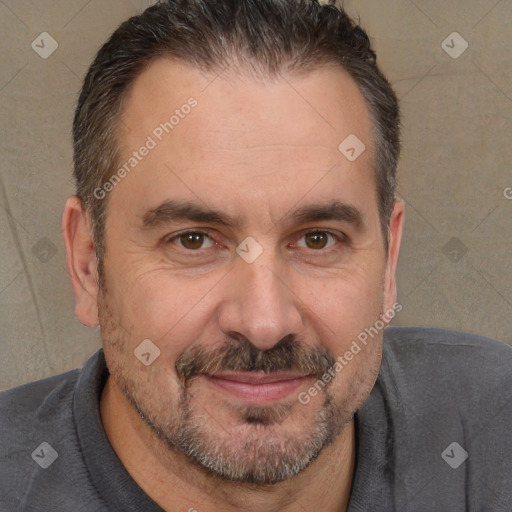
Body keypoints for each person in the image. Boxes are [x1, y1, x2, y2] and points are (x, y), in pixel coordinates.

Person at [1, 1, 511, 510]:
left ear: (389, 258)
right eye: (194, 240)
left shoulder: (495, 427)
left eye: (318, 239)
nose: (265, 323)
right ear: (90, 264)